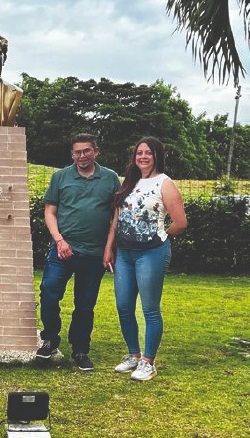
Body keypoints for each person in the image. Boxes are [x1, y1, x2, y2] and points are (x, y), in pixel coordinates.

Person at [103, 137, 187, 381]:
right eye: (139, 152)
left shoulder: (165, 183)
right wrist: (109, 248)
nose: (142, 157)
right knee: (124, 307)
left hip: (151, 254)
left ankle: (149, 362)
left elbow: (181, 223)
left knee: (150, 309)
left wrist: (159, 235)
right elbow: (115, 222)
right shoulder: (129, 182)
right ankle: (134, 355)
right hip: (124, 255)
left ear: (157, 156)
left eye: (148, 153)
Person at [36, 133, 120, 370]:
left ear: (96, 151)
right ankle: (50, 339)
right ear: (72, 154)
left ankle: (80, 350)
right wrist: (59, 240)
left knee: (85, 305)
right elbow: (50, 212)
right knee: (49, 292)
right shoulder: (61, 177)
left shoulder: (110, 178)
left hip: (95, 253)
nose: (82, 156)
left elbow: (116, 215)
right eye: (77, 152)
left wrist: (109, 249)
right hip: (63, 250)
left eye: (86, 151)